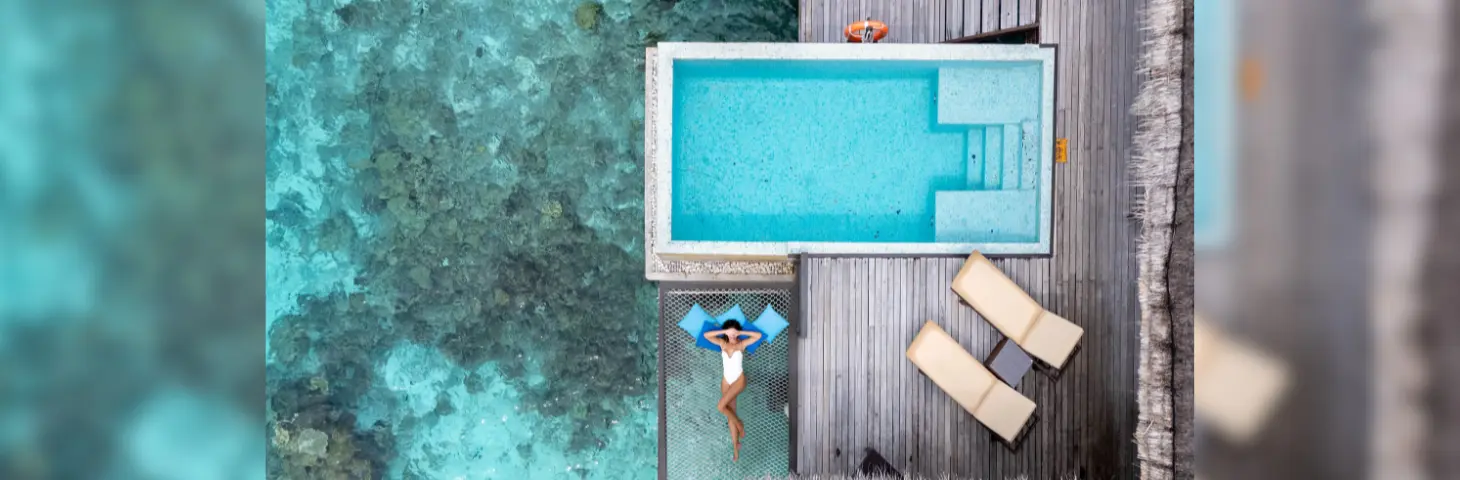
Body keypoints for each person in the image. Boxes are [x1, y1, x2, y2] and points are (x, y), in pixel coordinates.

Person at [702, 320, 762, 462]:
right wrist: (724, 332)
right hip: (726, 381)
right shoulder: (723, 344)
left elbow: (758, 336)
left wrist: (741, 333)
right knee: (730, 414)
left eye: (735, 333)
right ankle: (735, 446)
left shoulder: (741, 345)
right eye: (730, 333)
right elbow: (706, 336)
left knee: (721, 406)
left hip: (738, 380)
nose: (733, 335)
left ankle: (739, 424)